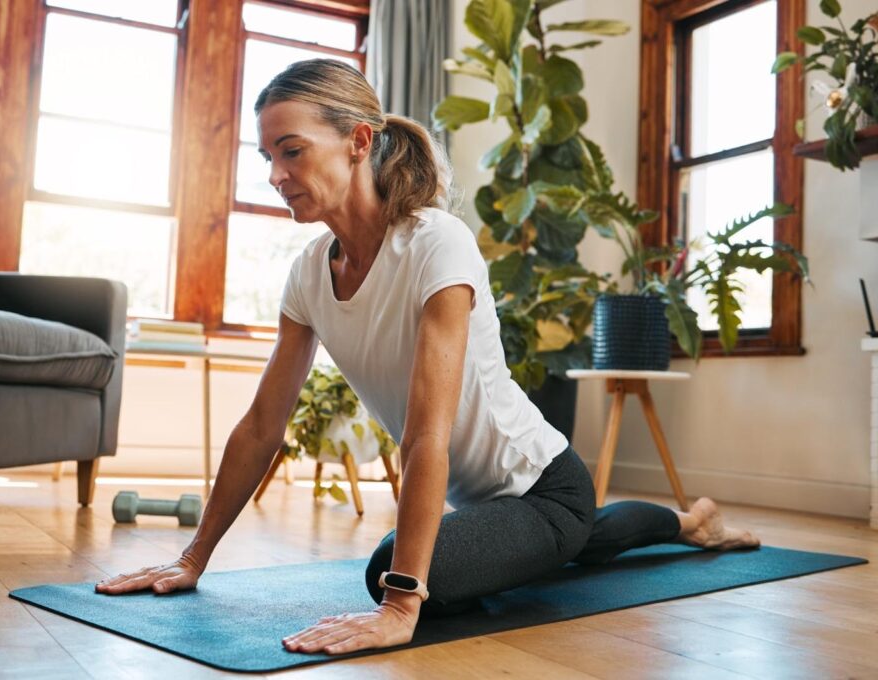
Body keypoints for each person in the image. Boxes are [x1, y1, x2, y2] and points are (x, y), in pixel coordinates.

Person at [95, 58, 760, 656]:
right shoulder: (307, 274)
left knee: (395, 563)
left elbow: (427, 434)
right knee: (569, 545)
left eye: (292, 152)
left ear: (359, 141)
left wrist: (402, 601)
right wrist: (193, 558)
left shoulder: (435, 244)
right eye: (268, 156)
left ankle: (663, 525)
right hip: (485, 503)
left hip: (546, 485)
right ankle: (688, 521)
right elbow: (261, 427)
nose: (275, 176)